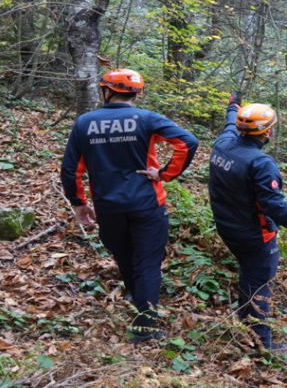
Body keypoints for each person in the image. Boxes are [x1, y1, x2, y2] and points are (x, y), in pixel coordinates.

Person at [60, 68, 199, 343]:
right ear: (137, 93)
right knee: (147, 261)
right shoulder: (146, 119)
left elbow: (70, 169)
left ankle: (137, 296)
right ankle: (145, 324)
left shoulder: (85, 123)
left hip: (108, 205)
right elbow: (188, 142)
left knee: (123, 255)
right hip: (147, 203)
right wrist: (166, 174)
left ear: (106, 90)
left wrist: (79, 203)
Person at [208, 93, 287, 351]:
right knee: (259, 284)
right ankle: (261, 342)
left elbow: (231, 122)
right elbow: (274, 206)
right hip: (254, 235)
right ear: (268, 132)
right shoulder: (261, 163)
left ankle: (245, 320)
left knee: (250, 276)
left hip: (226, 226)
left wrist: (233, 106)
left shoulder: (223, 144)